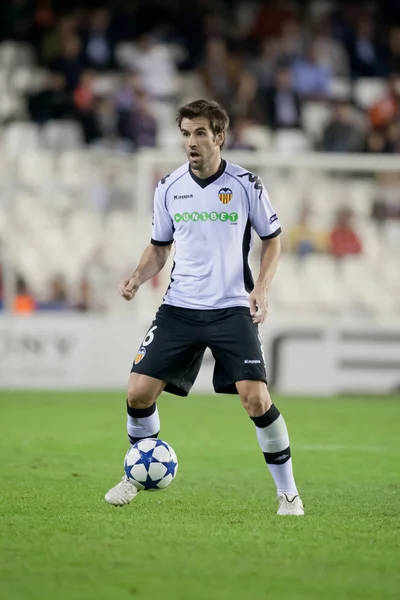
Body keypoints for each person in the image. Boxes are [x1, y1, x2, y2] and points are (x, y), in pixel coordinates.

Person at [105, 99, 304, 516]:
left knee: (256, 400)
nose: (190, 142)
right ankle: (137, 473)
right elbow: (160, 248)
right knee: (138, 392)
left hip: (232, 307)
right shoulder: (168, 186)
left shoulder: (246, 183)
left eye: (199, 133)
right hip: (179, 307)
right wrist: (137, 278)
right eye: (184, 134)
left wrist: (262, 288)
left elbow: (273, 239)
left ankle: (288, 493)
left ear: (219, 137)